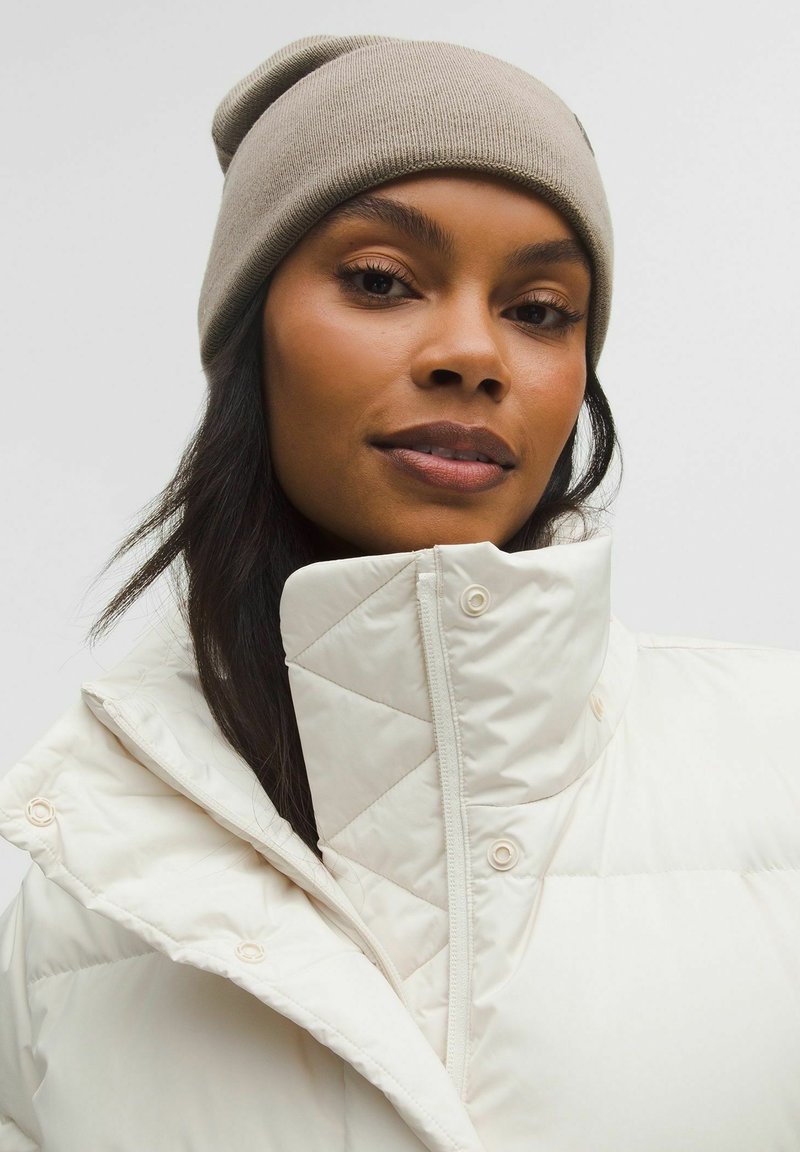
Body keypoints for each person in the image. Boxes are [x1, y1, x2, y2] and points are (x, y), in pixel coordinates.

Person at [1, 32, 798, 1152]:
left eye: (539, 309)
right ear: (249, 334)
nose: (474, 353)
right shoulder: (82, 882)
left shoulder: (777, 762)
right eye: (380, 281)